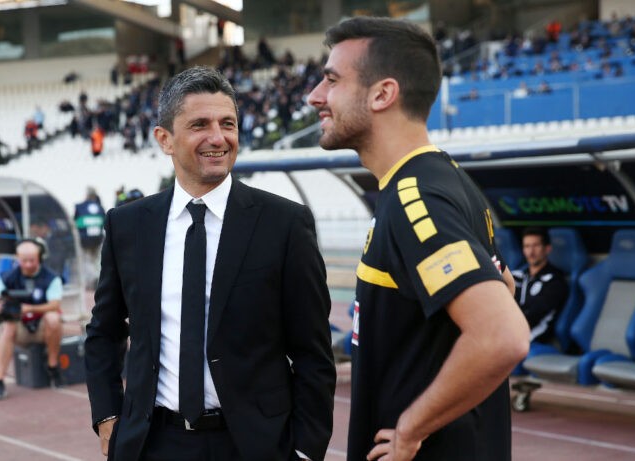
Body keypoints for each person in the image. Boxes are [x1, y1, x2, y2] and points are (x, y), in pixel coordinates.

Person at [85, 66, 335, 461]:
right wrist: (107, 414)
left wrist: (306, 449)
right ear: (165, 139)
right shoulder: (127, 225)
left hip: (254, 445)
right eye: (200, 125)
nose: (218, 138)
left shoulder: (285, 224)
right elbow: (104, 331)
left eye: (227, 124)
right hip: (152, 443)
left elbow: (313, 353)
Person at [308, 17, 529, 461]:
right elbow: (502, 286)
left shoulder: (417, 198)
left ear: (382, 94)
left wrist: (411, 429)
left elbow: (502, 335)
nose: (315, 96)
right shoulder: (441, 181)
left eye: (331, 80)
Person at [0, 239, 63, 400]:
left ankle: (53, 367)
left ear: (39, 258)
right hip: (18, 327)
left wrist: (29, 308)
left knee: (54, 318)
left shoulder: (51, 278)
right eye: (24, 260)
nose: (28, 264)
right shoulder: (8, 277)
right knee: (7, 327)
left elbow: (55, 304)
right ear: (17, 259)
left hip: (42, 327)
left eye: (32, 260)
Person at [512, 227, 568, 344]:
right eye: (527, 246)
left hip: (534, 338)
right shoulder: (518, 276)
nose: (531, 252)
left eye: (536, 246)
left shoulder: (555, 280)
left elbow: (535, 315)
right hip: (512, 332)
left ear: (547, 249)